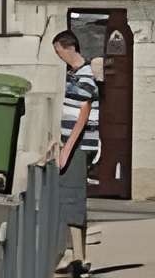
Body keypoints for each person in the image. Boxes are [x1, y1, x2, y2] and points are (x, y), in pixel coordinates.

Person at [52, 29, 99, 278]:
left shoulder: (85, 74)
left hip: (79, 145)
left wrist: (66, 149)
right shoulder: (77, 74)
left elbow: (83, 114)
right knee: (72, 197)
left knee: (72, 197)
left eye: (58, 51)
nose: (58, 56)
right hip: (76, 143)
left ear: (68, 48)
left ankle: (78, 258)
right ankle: (77, 255)